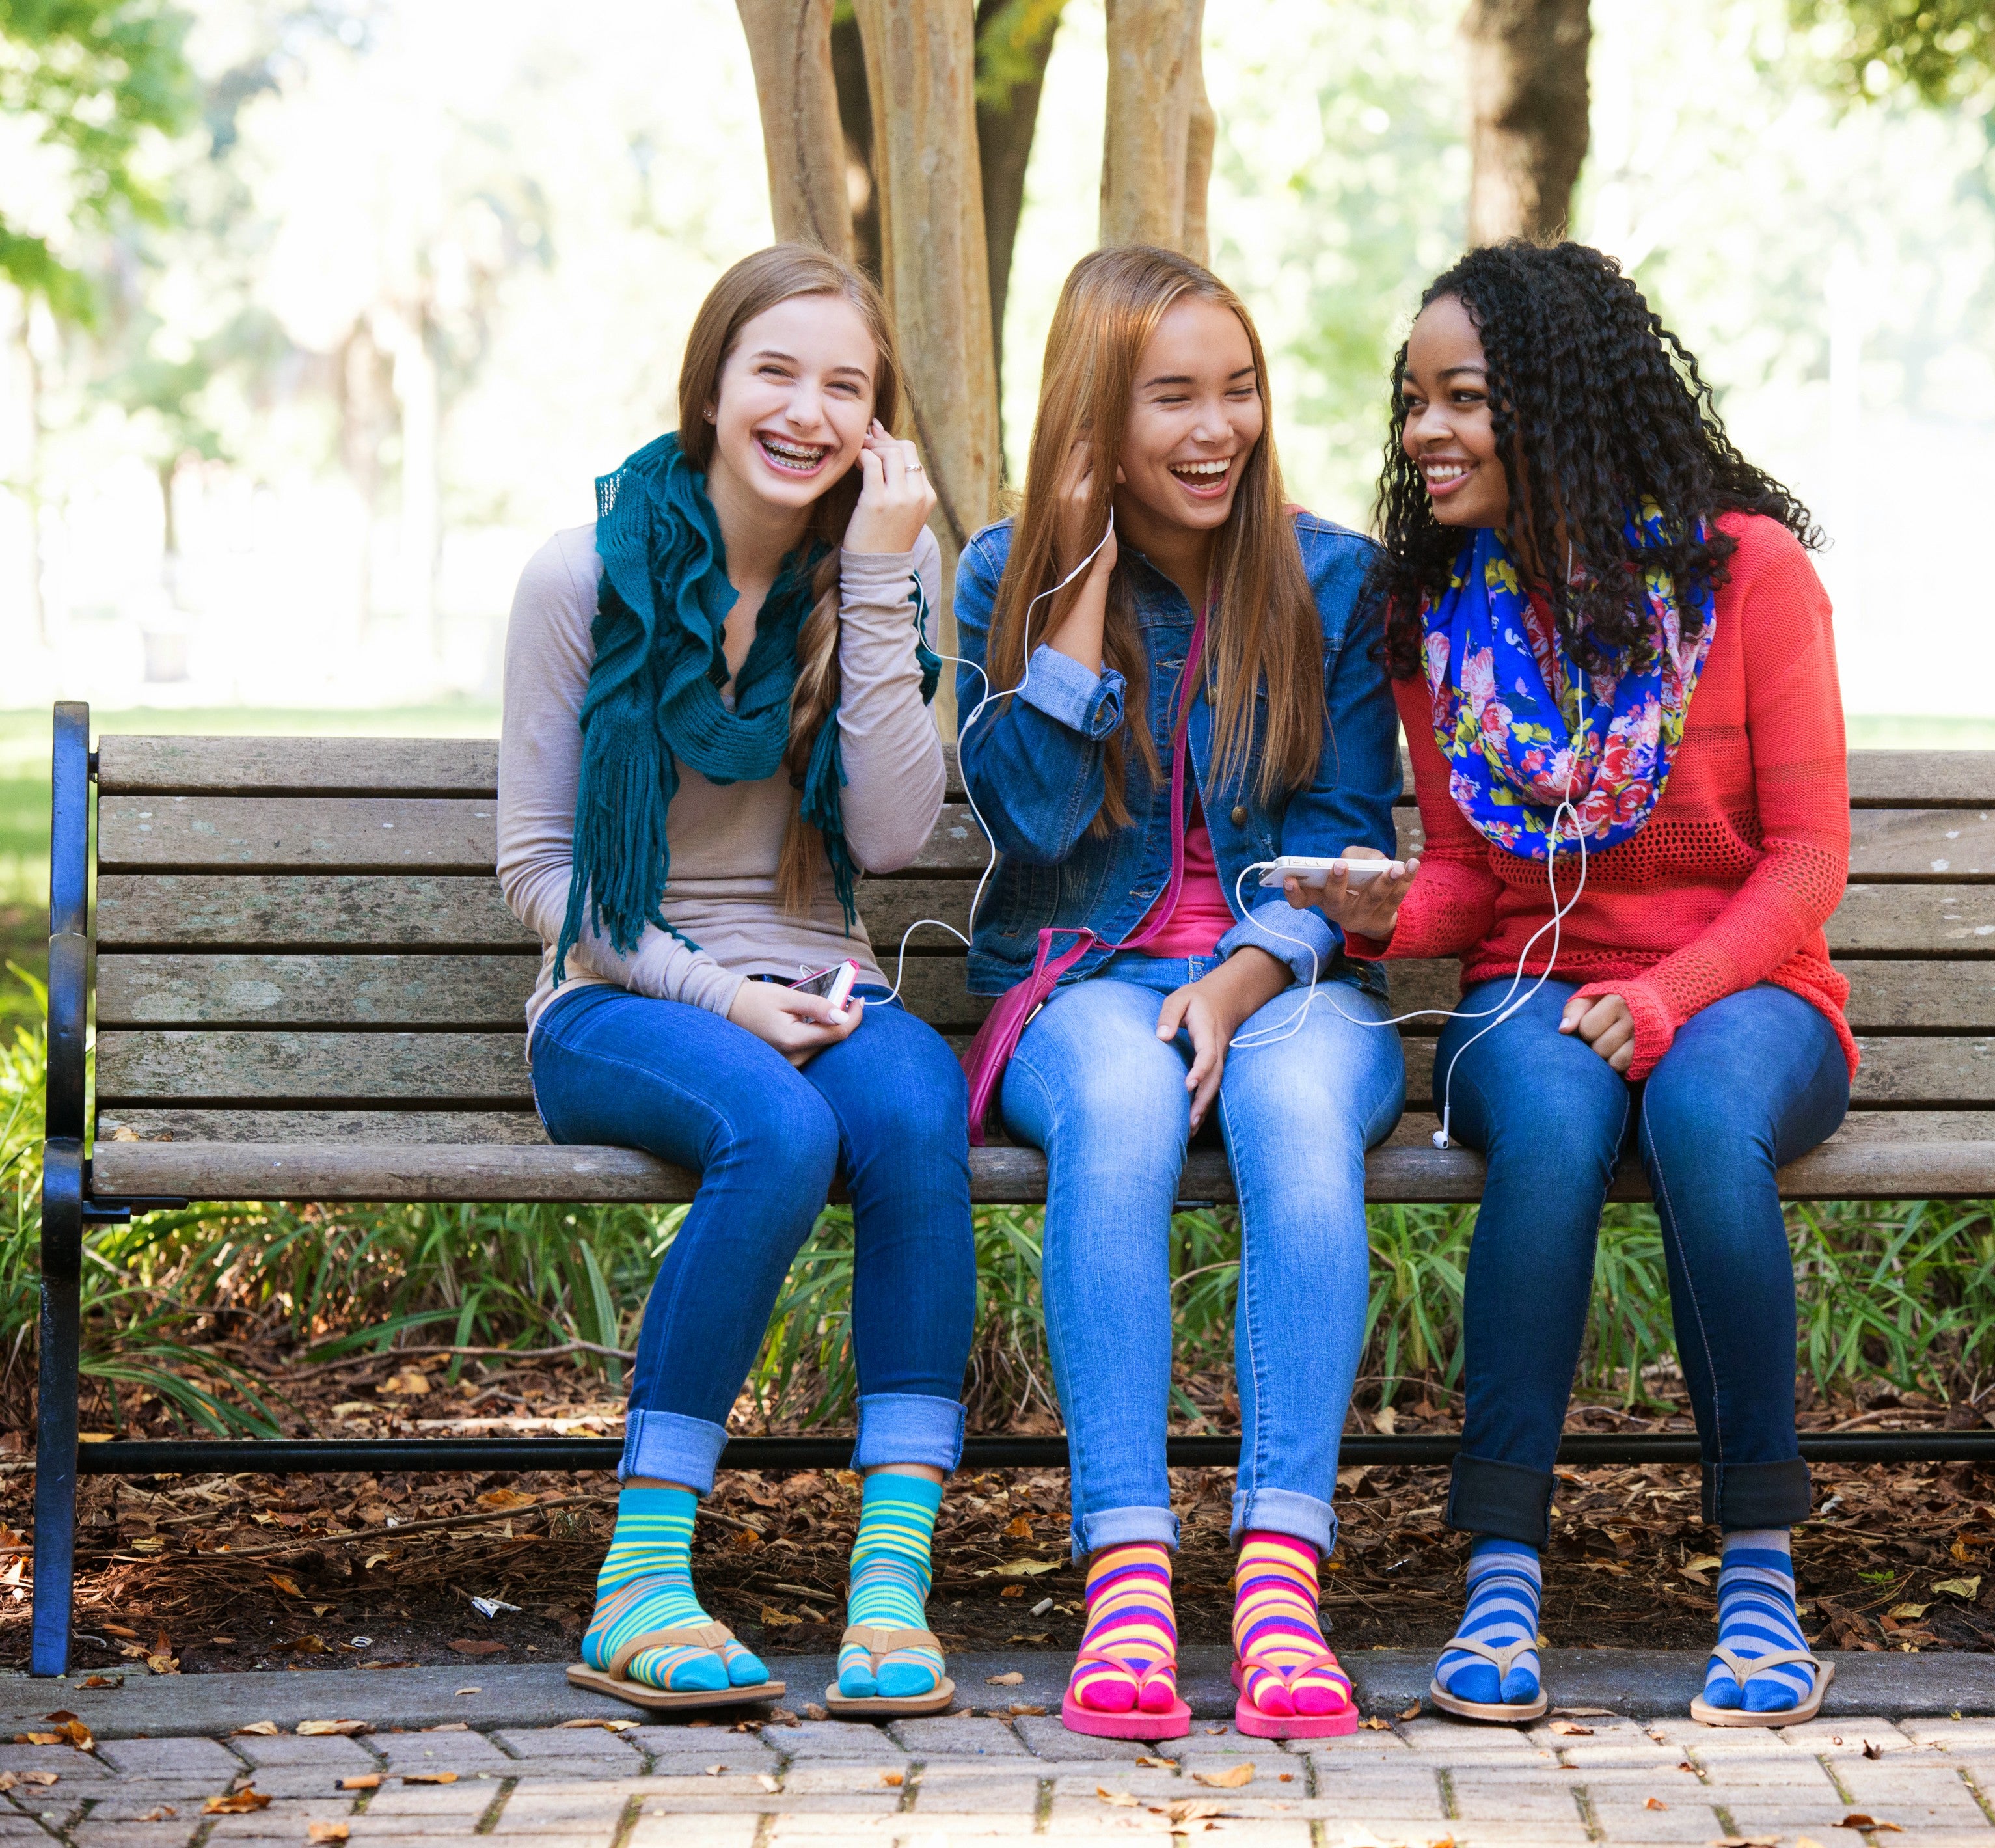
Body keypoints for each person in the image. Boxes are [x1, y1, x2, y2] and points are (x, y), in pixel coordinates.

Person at [1301, 240, 1855, 1728]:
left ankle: (1756, 1573)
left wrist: (1671, 995)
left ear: (1556, 399)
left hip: (1749, 990)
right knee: (1547, 1121)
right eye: (1414, 399)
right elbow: (1478, 884)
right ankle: (1498, 1576)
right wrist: (1374, 908)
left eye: (1464, 397)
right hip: (1531, 983)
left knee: (1696, 1116)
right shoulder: (1441, 617)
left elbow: (1805, 862)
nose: (1425, 432)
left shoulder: (1749, 575)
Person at [496, 243, 972, 1716]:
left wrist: (885, 580)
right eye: (776, 369)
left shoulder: (881, 571)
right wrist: (717, 997)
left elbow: (891, 838)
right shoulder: (583, 574)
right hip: (614, 995)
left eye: (847, 385)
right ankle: (637, 1582)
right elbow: (538, 872)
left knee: (914, 1112)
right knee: (780, 1125)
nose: (808, 411)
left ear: (879, 421)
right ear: (709, 386)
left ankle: (889, 1586)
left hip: (818, 981)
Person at [953, 245, 1404, 1742]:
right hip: (1078, 974)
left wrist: (1242, 976)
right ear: (1095, 419)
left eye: (1240, 389)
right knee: (1127, 1099)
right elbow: (1026, 819)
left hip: (1285, 975)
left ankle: (1280, 1577)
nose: (1220, 429)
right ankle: (1130, 1570)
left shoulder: (1330, 578)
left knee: (1294, 1099)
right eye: (1172, 400)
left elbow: (1353, 843)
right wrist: (1074, 578)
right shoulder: (1001, 574)